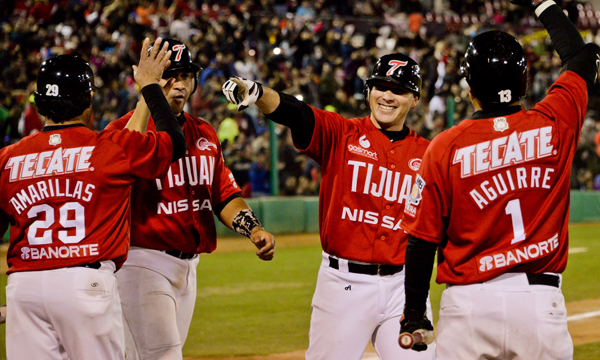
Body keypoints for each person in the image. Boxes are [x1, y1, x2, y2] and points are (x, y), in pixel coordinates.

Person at [400, 0, 600, 358]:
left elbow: (421, 239)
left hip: (468, 308)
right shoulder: (554, 121)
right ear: (523, 79)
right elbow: (584, 57)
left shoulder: (444, 146)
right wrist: (545, 6)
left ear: (469, 84)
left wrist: (414, 313)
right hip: (539, 305)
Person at [223, 53, 434, 360]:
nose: (387, 96)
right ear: (368, 91)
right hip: (343, 285)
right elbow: (298, 114)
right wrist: (258, 93)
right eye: (380, 87)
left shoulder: (427, 154)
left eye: (398, 90)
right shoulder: (342, 133)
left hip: (404, 287)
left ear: (414, 99)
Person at [0, 38, 187, 360]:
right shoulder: (110, 147)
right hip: (85, 283)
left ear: (39, 101)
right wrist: (149, 87)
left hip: (23, 286)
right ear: (89, 99)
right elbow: (175, 142)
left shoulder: (7, 158)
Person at [104, 38, 275, 360]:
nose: (179, 83)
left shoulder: (206, 133)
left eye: (186, 75)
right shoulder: (125, 130)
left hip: (188, 265)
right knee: (163, 354)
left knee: (154, 353)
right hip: (142, 260)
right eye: (169, 74)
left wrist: (253, 228)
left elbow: (223, 194)